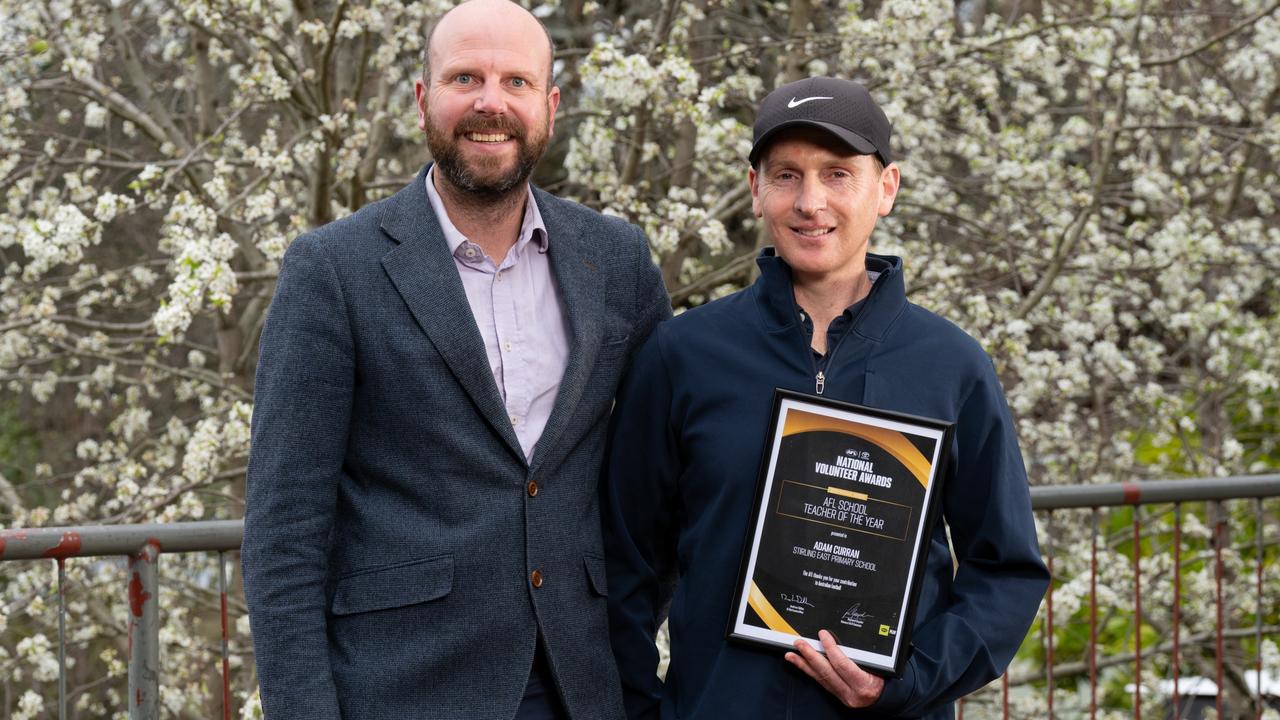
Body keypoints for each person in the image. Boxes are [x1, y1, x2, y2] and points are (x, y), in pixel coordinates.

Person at [241, 1, 669, 718]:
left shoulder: (617, 261)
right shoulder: (334, 270)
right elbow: (285, 531)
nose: (490, 103)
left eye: (516, 82)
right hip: (402, 689)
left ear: (551, 106)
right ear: (422, 99)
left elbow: (666, 474)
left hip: (586, 684)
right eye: (465, 77)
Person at [601, 77, 1049, 719]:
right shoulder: (683, 355)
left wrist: (910, 683)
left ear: (886, 188)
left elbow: (1005, 570)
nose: (811, 202)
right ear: (756, 190)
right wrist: (646, 709)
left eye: (838, 174)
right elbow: (626, 563)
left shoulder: (952, 366)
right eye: (787, 175)